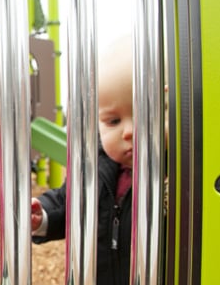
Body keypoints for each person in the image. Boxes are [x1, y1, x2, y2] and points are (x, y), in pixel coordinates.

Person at [30, 36, 138, 284]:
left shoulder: (178, 176)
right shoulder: (93, 167)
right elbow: (67, 203)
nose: (128, 131)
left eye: (143, 113)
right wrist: (42, 217)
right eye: (113, 121)